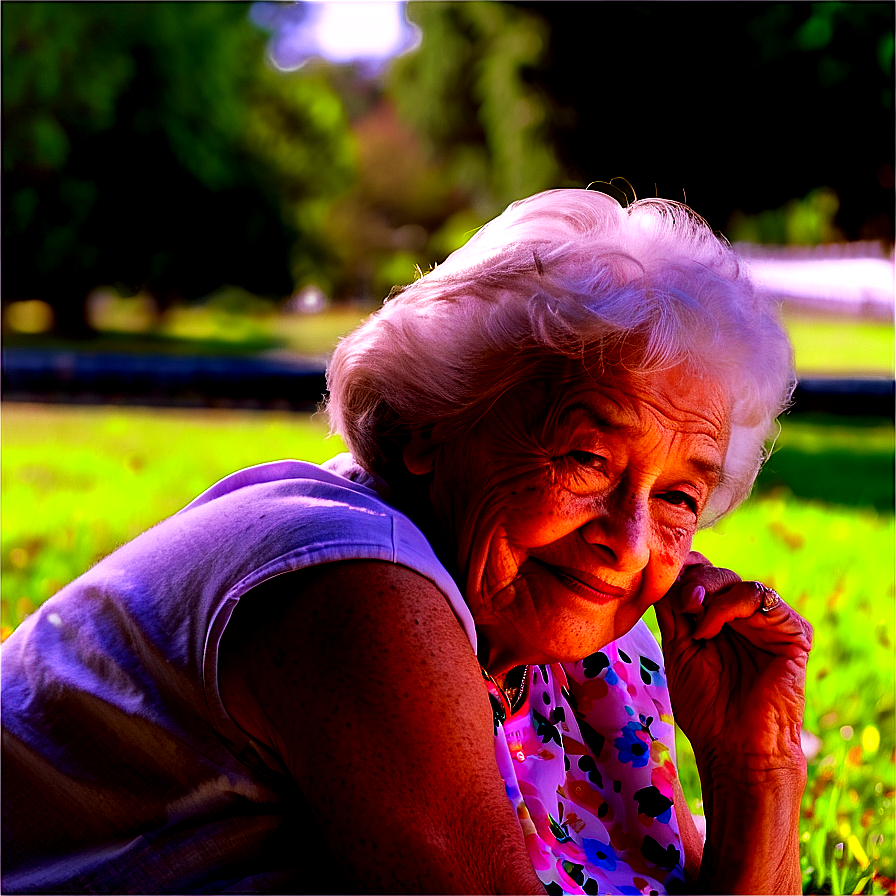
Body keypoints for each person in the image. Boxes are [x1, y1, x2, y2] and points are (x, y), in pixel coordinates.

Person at [1, 189, 812, 895]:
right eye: (586, 458)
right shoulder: (358, 584)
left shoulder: (578, 644)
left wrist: (759, 769)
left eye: (678, 495)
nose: (630, 544)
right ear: (431, 426)